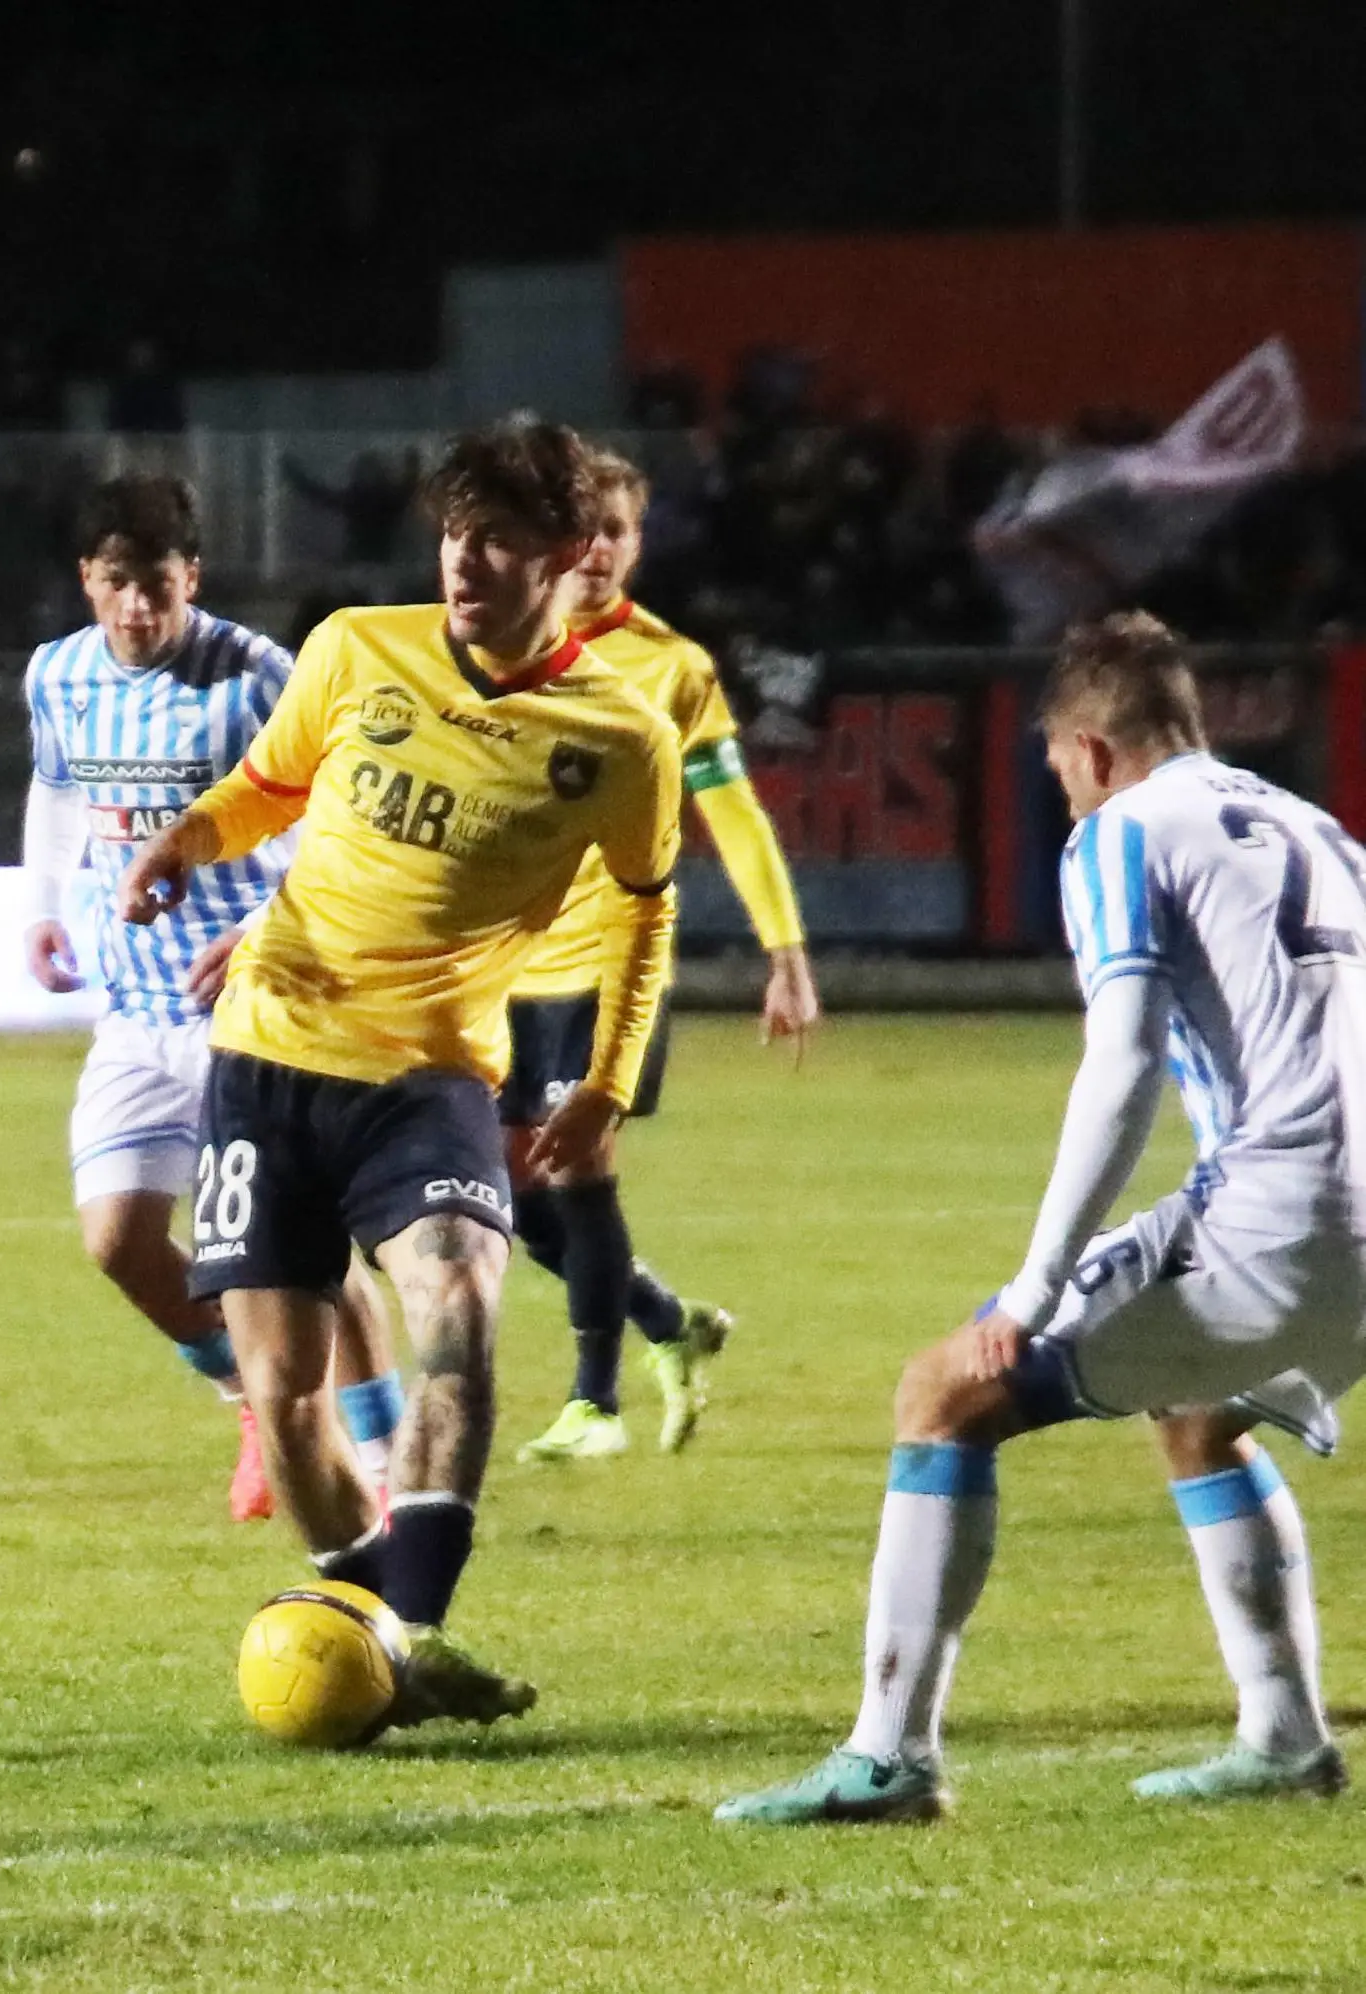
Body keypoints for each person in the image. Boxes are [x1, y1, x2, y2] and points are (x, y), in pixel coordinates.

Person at [718, 612, 1363, 1825]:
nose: (1061, 791)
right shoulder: (1316, 827)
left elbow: (1121, 1064)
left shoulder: (1122, 831)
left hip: (1284, 1213)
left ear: (1094, 748)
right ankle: (1284, 1736)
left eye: (1060, 766)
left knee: (946, 1389)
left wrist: (1032, 1287)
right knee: (1197, 1406)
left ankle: (888, 1758)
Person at [118, 420, 683, 1726]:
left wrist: (603, 1081)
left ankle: (408, 1624)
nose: (462, 561)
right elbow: (268, 787)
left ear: (568, 556)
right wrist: (188, 845)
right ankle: (379, 1630)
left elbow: (648, 910)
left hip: (428, 1074)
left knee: (459, 1310)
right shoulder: (353, 647)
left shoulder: (616, 737)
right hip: (265, 1055)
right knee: (277, 1388)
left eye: (494, 539)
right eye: (450, 533)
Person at [22, 473, 402, 1524]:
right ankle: (244, 1390)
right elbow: (56, 787)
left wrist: (275, 929)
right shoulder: (57, 673)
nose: (137, 607)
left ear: (192, 575)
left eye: (157, 583)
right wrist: (44, 904)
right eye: (116, 582)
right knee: (117, 1240)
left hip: (254, 1009)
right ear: (87, 580)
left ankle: (389, 1459)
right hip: (133, 1014)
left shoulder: (255, 676)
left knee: (314, 1260)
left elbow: (349, 817)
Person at [512, 449, 820, 1462]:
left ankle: (594, 1403)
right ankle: (669, 1321)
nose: (597, 550)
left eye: (618, 531)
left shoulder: (672, 668)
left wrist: (786, 951)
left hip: (614, 959)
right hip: (503, 966)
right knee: (511, 1197)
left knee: (582, 1168)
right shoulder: (490, 646)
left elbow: (733, 813)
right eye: (580, 528)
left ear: (637, 544)